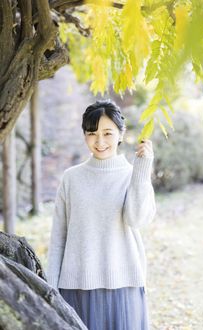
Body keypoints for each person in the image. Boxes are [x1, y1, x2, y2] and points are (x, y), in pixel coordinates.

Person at [46, 99, 157, 330]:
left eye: (108, 133)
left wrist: (143, 168)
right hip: (75, 288)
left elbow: (136, 219)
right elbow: (58, 238)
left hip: (123, 286)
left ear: (120, 133)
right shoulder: (71, 178)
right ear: (84, 135)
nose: (100, 141)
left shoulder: (133, 175)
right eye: (92, 133)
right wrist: (51, 287)